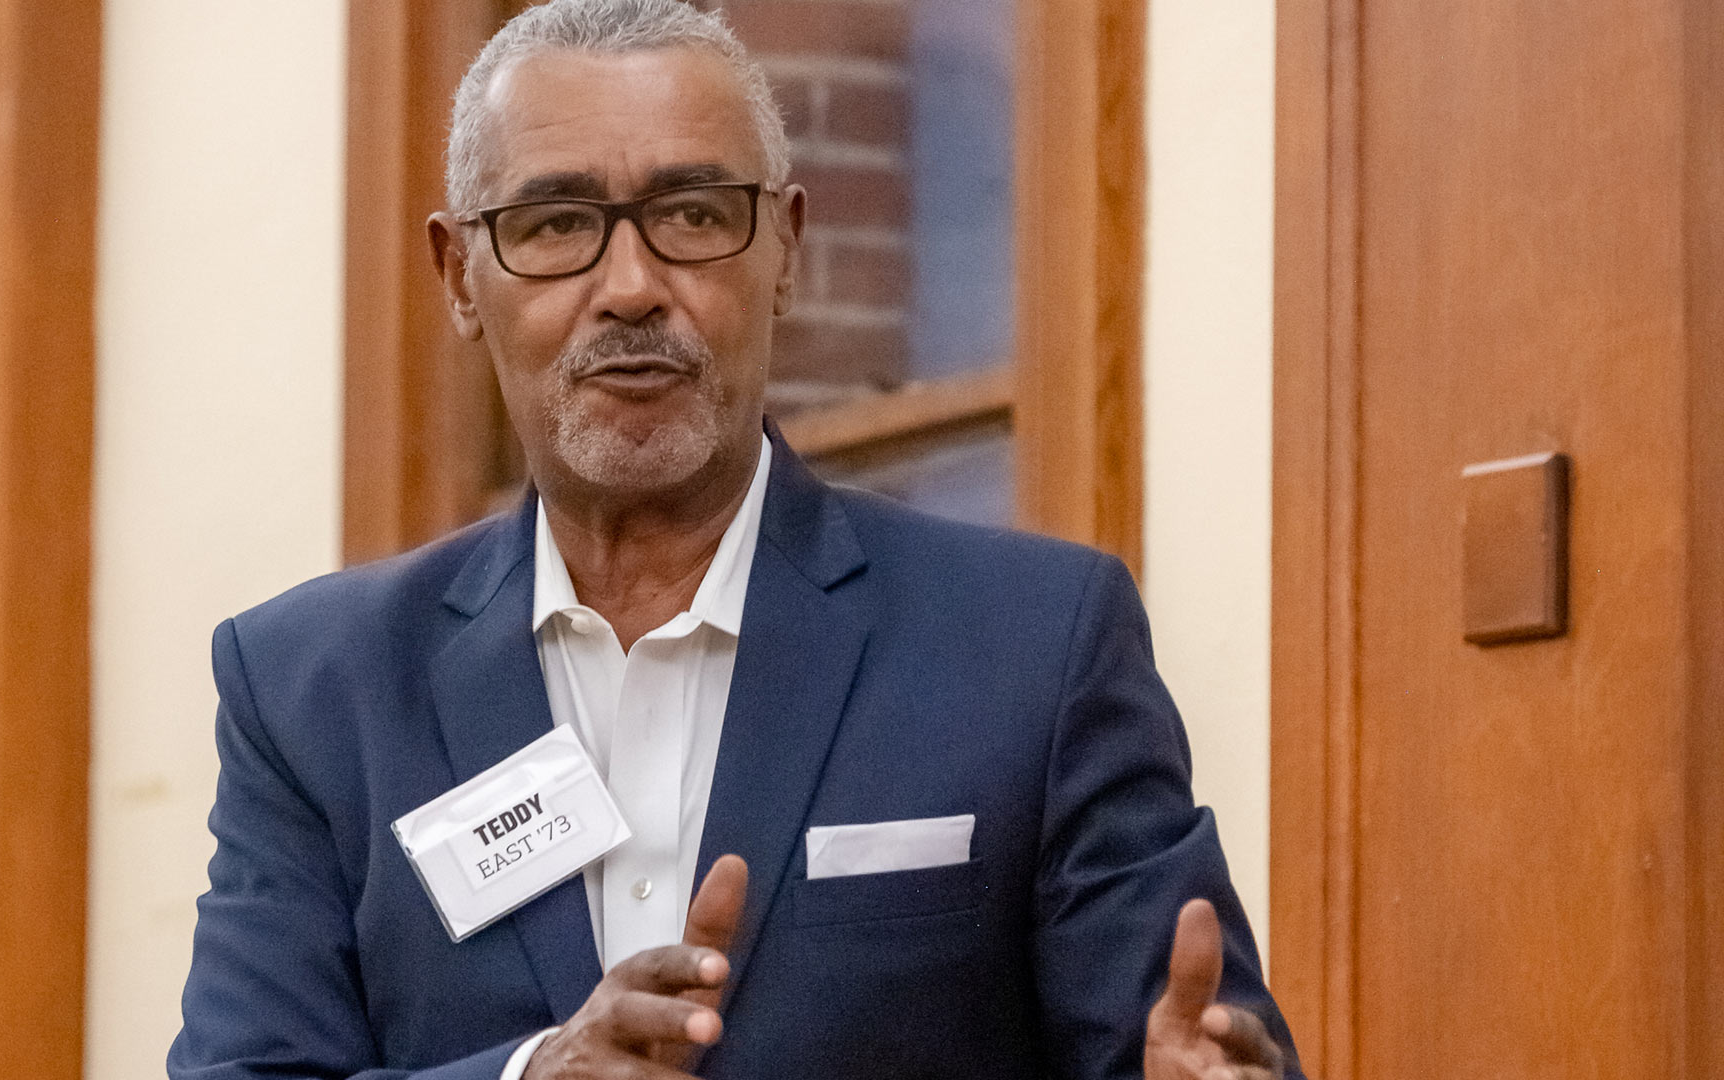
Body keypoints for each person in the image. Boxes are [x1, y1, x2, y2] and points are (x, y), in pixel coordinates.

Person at [169, 1, 1302, 1077]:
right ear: (460, 274)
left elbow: (1186, 1043)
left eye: (694, 216)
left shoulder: (1033, 649)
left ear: (787, 247)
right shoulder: (313, 693)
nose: (629, 288)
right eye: (557, 224)